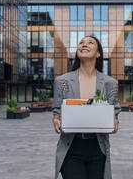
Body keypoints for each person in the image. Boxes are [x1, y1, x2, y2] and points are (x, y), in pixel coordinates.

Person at [52, 35, 121, 179]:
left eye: (90, 43)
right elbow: (57, 112)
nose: (84, 44)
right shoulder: (62, 81)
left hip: (98, 147)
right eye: (81, 43)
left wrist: (114, 123)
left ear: (98, 53)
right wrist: (56, 121)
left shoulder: (110, 83)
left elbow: (114, 114)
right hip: (71, 147)